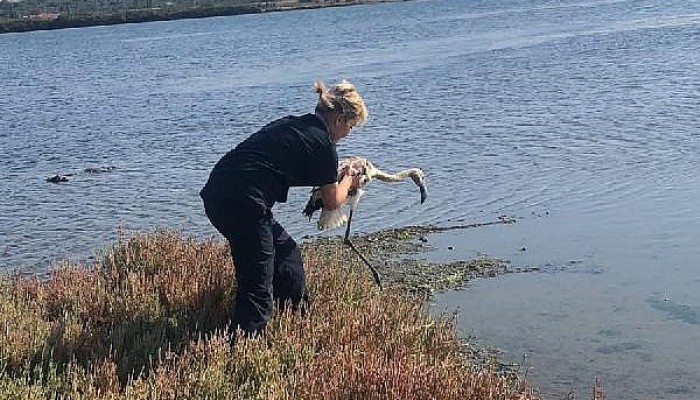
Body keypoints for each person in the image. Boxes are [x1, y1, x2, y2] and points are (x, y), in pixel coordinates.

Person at [200, 79, 368, 337]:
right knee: (257, 288)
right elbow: (333, 201)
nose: (349, 133)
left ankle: (298, 328)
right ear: (338, 119)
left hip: (222, 194)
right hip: (242, 203)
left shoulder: (297, 126)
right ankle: (242, 354)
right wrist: (351, 179)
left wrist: (339, 176)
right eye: (351, 126)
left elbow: (290, 169)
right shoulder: (323, 144)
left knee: (287, 255)